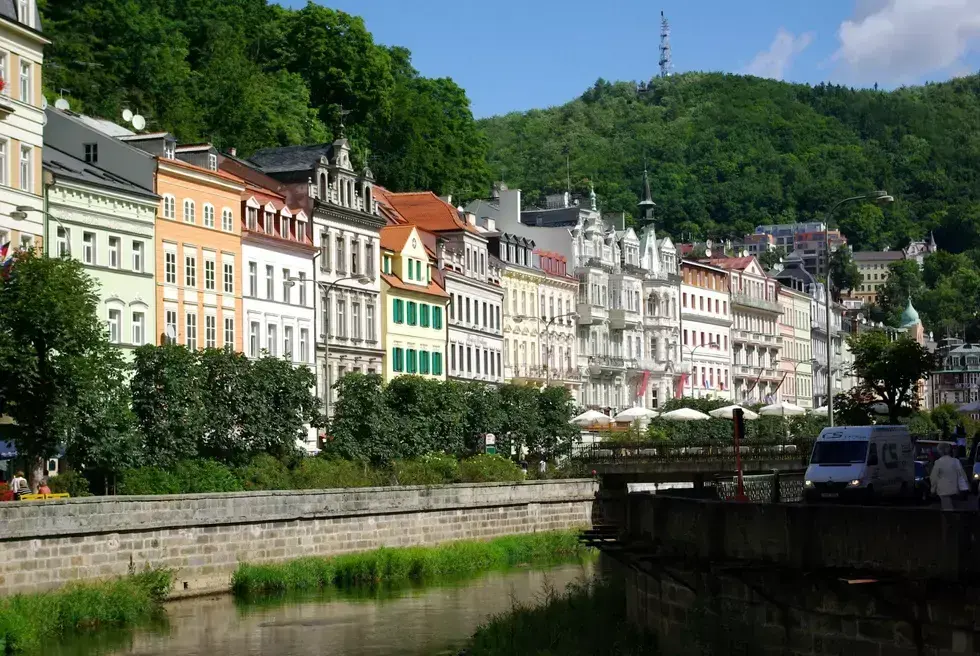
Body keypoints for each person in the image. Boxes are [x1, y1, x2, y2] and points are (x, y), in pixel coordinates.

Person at [931, 444, 969, 511]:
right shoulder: (956, 461)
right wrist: (966, 484)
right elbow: (962, 474)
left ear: (940, 451)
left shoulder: (938, 462)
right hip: (955, 489)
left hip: (943, 490)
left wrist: (933, 489)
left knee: (947, 509)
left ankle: (949, 520)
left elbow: (934, 477)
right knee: (955, 508)